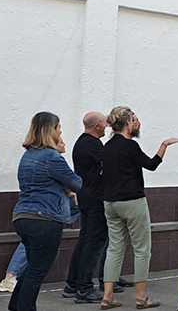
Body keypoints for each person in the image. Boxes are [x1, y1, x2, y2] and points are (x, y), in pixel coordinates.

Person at [100, 106, 178, 310]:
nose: (138, 123)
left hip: (110, 203)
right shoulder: (130, 146)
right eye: (135, 120)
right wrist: (164, 145)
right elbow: (151, 164)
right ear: (127, 123)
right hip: (132, 201)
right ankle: (141, 297)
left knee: (115, 248)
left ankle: (107, 297)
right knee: (142, 249)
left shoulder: (107, 146)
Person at [8, 112, 83, 311]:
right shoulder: (52, 157)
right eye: (59, 127)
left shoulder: (28, 155)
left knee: (31, 267)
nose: (61, 131)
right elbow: (77, 183)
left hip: (22, 217)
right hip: (45, 219)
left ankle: (16, 306)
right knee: (37, 271)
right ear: (51, 130)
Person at [62, 112, 109, 304]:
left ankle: (72, 284)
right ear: (97, 126)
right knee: (94, 243)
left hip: (86, 198)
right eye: (105, 124)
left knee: (85, 241)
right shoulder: (91, 144)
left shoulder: (82, 143)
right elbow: (110, 162)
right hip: (95, 200)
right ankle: (84, 288)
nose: (107, 127)